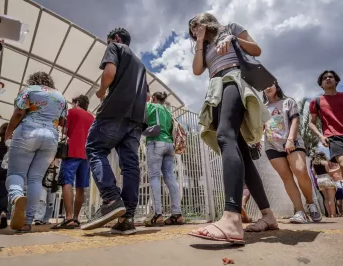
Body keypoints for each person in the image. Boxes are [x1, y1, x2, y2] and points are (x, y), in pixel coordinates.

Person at [187, 13, 278, 243]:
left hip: (234, 79)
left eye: (196, 24)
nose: (194, 28)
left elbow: (256, 50)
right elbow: (198, 70)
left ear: (207, 20)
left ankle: (231, 218)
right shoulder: (204, 45)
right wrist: (199, 42)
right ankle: (268, 216)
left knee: (225, 136)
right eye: (191, 29)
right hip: (215, 88)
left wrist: (235, 41)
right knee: (243, 154)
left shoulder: (230, 28)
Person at [83, 27, 148, 235]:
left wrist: (101, 90)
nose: (107, 43)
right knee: (130, 165)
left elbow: (109, 73)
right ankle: (127, 216)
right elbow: (146, 96)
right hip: (137, 118)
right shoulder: (140, 64)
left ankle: (111, 198)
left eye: (108, 39)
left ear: (117, 38)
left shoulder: (115, 47)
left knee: (94, 148)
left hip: (115, 110)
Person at [5, 71, 67, 232]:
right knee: (35, 180)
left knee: (16, 173)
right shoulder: (60, 97)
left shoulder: (29, 90)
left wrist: (9, 131)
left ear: (33, 80)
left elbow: (19, 113)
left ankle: (17, 196)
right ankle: (28, 221)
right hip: (51, 138)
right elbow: (62, 121)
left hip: (28, 132)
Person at [308, 70, 343, 221]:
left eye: (331, 77)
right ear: (321, 84)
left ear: (336, 81)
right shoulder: (316, 102)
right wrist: (321, 135)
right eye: (324, 78)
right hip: (334, 137)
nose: (328, 79)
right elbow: (311, 123)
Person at [263, 83, 321, 223]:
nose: (268, 87)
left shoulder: (288, 102)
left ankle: (310, 203)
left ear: (277, 86)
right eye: (264, 86)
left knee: (300, 171)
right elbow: (261, 126)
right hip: (271, 145)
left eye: (270, 84)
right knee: (286, 177)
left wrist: (290, 139)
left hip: (292, 142)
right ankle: (300, 211)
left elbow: (295, 120)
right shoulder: (262, 108)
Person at [52, 95, 94, 229]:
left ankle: (68, 217)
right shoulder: (92, 117)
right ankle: (76, 218)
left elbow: (65, 131)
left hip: (72, 151)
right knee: (81, 186)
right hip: (86, 154)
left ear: (77, 103)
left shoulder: (72, 112)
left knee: (67, 182)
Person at [143, 91, 184, 227]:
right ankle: (177, 214)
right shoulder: (168, 112)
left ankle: (157, 214)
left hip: (155, 142)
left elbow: (141, 118)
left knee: (154, 176)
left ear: (154, 98)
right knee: (170, 177)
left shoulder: (151, 106)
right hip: (169, 145)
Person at [311, 152, 337, 217]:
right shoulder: (325, 162)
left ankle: (328, 214)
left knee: (326, 199)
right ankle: (333, 214)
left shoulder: (314, 164)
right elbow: (329, 172)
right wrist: (338, 169)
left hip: (319, 181)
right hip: (327, 179)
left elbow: (314, 173)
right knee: (331, 199)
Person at [35, 159, 60, 225]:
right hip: (43, 187)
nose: (50, 163)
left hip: (52, 188)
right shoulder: (44, 168)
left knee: (50, 204)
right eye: (49, 161)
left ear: (54, 161)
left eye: (52, 161)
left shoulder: (57, 169)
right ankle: (38, 219)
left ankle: (46, 219)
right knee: (41, 201)